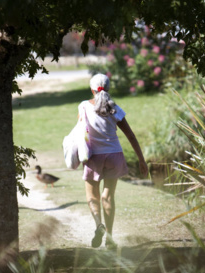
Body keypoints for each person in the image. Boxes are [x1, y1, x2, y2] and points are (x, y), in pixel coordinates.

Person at [78, 73, 148, 249]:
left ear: (91, 89)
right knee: (108, 196)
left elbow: (80, 131)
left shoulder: (84, 106)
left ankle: (98, 225)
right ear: (108, 88)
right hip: (114, 155)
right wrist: (141, 160)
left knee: (92, 195)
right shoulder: (115, 108)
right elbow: (130, 135)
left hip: (94, 156)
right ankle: (109, 238)